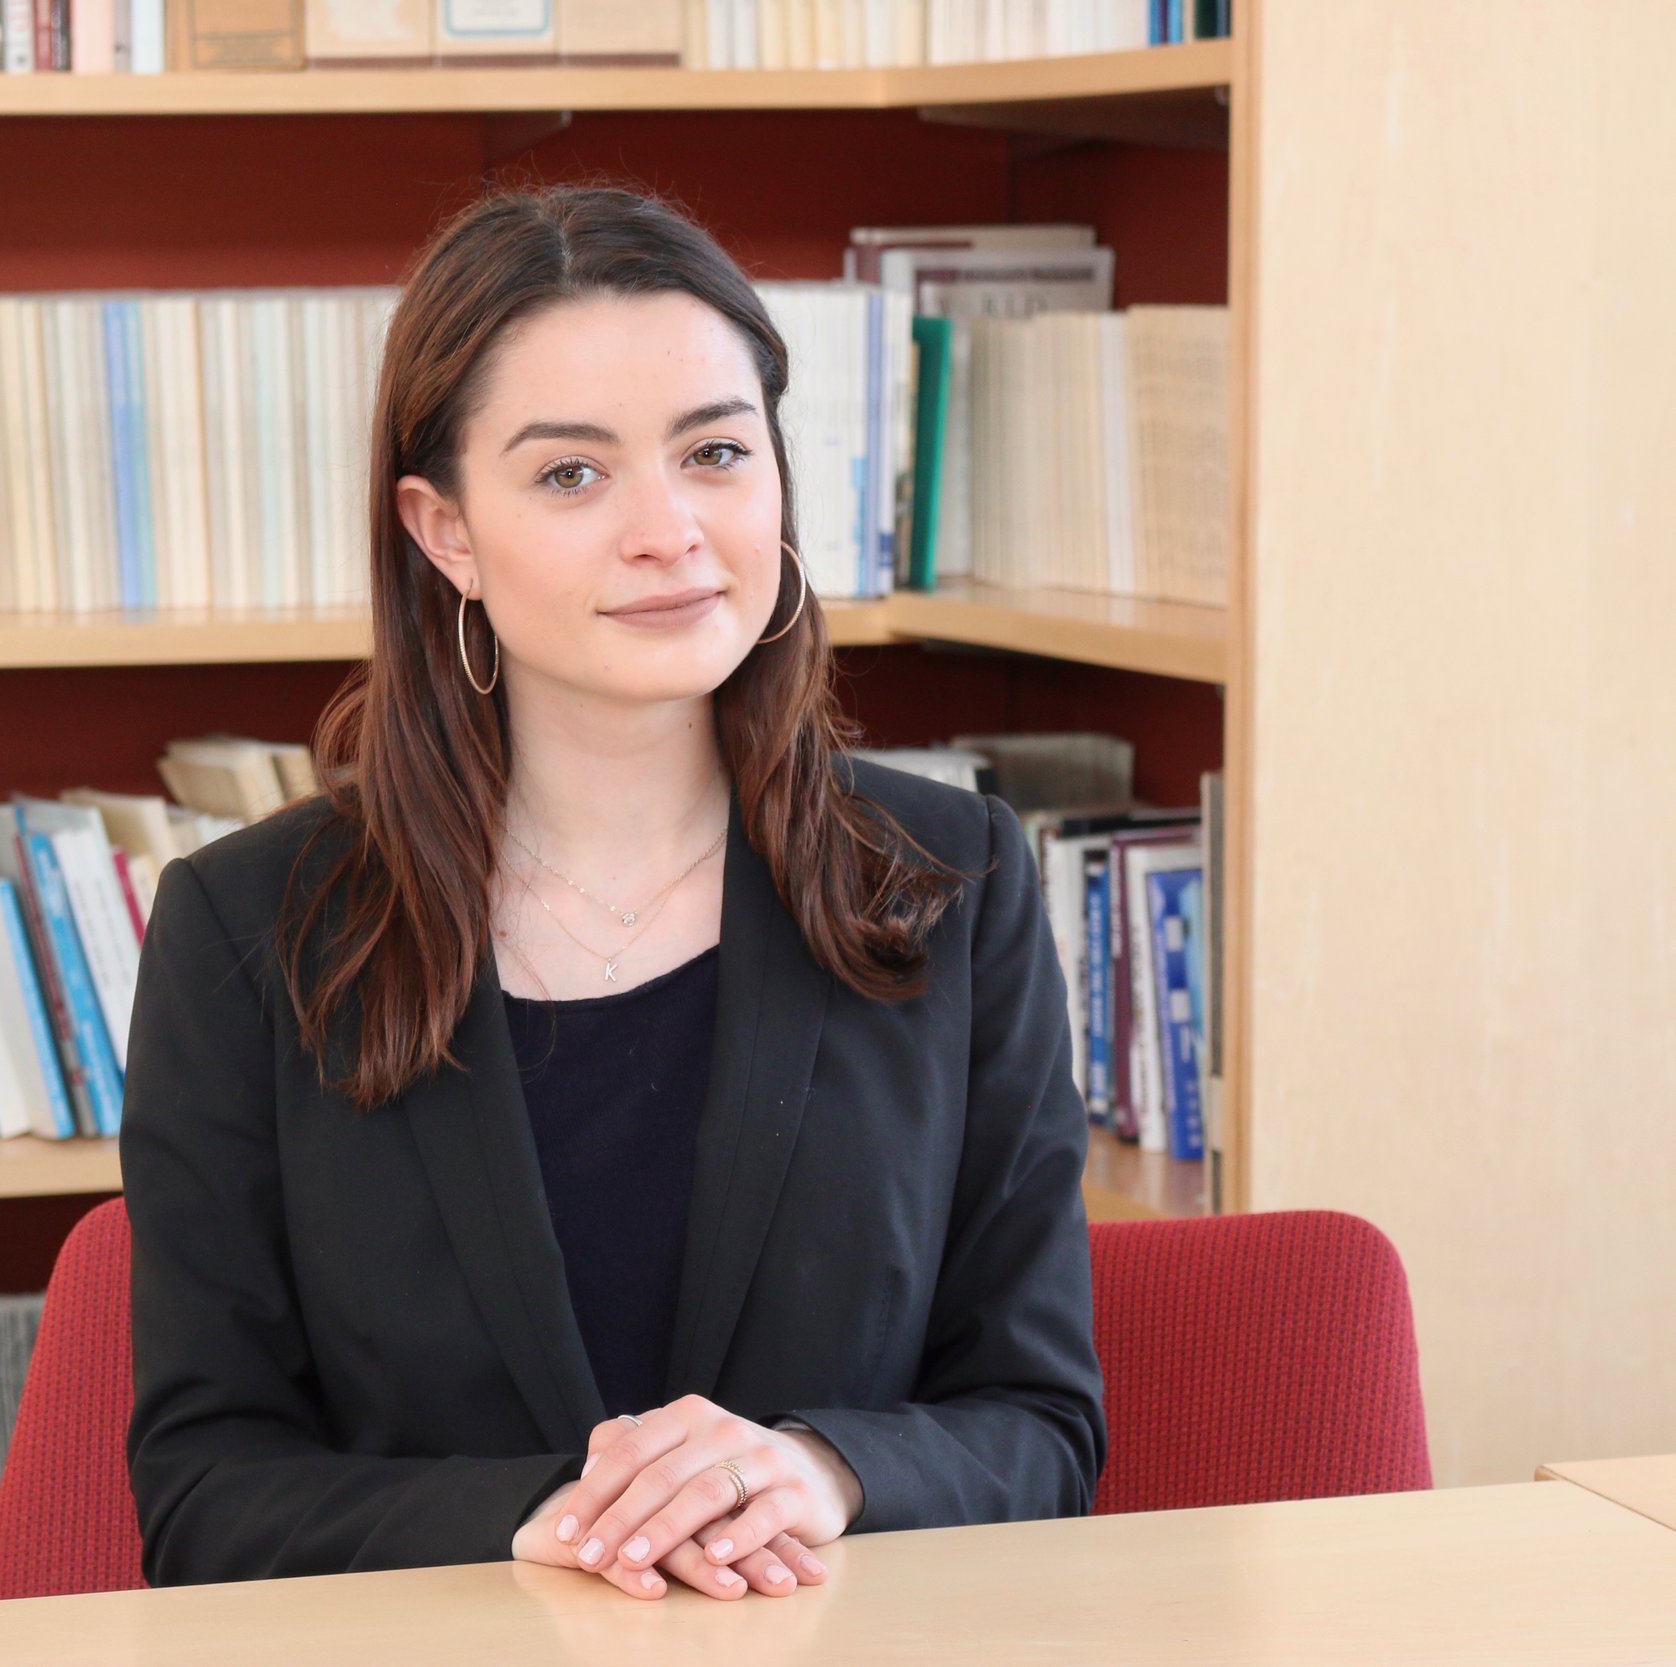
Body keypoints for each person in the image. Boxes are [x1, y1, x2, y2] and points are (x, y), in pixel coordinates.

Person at [120, 183, 1105, 1604]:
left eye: (715, 452)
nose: (668, 530)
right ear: (445, 530)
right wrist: (553, 1518)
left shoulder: (955, 881)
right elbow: (206, 1497)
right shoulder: (249, 930)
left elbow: (1043, 1428)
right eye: (572, 474)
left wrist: (820, 1472)